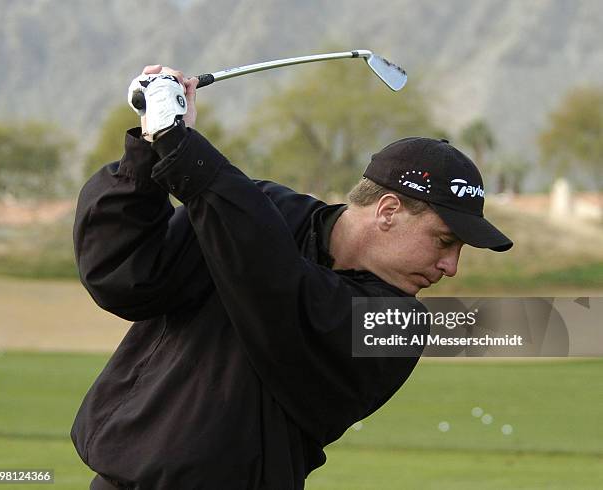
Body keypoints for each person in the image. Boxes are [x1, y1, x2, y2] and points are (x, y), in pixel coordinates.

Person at [72, 65, 512, 490]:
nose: (451, 267)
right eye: (444, 241)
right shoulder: (258, 209)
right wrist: (149, 149)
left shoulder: (401, 326)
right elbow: (123, 276)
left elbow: (278, 292)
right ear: (389, 211)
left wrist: (185, 152)